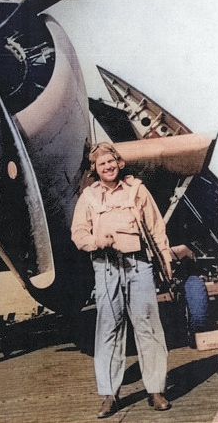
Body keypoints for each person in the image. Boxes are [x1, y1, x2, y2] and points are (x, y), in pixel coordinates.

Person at [71, 142, 172, 418]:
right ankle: (110, 395)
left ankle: (156, 390)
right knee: (108, 329)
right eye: (102, 163)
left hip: (138, 265)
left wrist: (165, 259)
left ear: (119, 163)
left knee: (148, 326)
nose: (108, 166)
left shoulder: (137, 190)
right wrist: (95, 241)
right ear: (96, 169)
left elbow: (156, 226)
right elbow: (78, 233)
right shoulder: (88, 197)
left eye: (112, 161)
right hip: (106, 268)